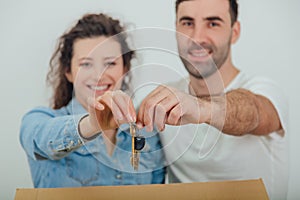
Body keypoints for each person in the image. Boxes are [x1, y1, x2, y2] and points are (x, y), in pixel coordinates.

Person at [136, 0, 288, 199]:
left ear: (235, 32)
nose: (197, 37)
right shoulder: (164, 98)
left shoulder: (264, 90)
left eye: (213, 23)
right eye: (188, 23)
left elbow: (255, 112)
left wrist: (200, 107)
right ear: (176, 29)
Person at [20, 13, 165, 188]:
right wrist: (91, 125)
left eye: (110, 63)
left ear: (125, 68)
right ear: (68, 71)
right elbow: (39, 139)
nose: (98, 76)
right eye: (85, 64)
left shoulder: (147, 132)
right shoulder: (39, 119)